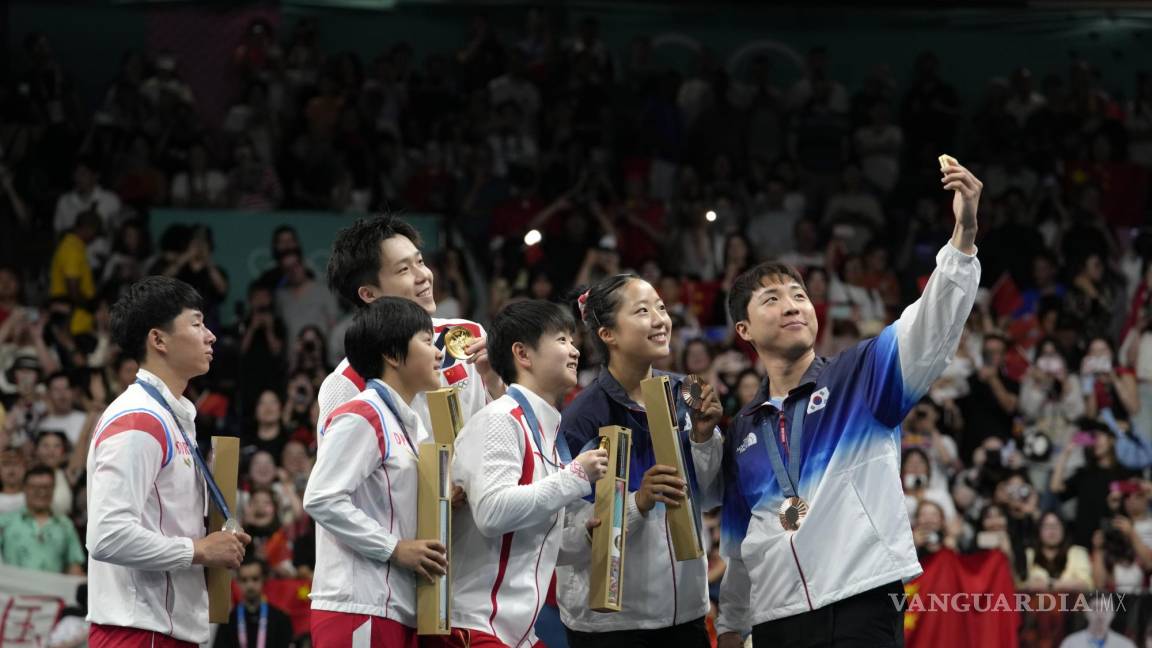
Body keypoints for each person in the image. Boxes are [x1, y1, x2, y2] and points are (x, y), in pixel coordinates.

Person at [716, 158, 983, 648]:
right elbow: (738, 544)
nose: (793, 304)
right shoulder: (742, 432)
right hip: (778, 616)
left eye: (798, 295)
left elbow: (927, 327)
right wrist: (732, 627)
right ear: (744, 331)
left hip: (863, 598)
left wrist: (961, 239)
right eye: (772, 300)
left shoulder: (860, 377)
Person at [557, 274, 724, 648]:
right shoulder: (580, 419)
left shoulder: (686, 393)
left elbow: (712, 497)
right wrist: (637, 502)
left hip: (687, 611)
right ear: (608, 334)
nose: (660, 319)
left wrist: (703, 437)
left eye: (661, 308)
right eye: (643, 311)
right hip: (612, 626)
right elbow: (561, 540)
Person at [86, 277, 251, 647]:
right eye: (196, 323)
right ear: (158, 340)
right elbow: (106, 535)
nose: (210, 336)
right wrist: (199, 549)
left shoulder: (171, 417)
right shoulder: (138, 420)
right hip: (139, 630)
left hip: (164, 628)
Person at [435, 300, 609, 647]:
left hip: (518, 634)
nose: (574, 351)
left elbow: (534, 544)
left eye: (573, 341)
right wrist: (575, 475)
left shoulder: (548, 431)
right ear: (523, 354)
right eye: (561, 340)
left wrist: (583, 537)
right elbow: (492, 512)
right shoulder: (500, 419)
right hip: (473, 628)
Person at [303, 297, 448, 648]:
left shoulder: (407, 424)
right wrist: (394, 548)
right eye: (427, 342)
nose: (440, 353)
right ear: (393, 355)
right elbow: (321, 498)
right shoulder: (362, 415)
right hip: (358, 607)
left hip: (394, 606)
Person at [317, 214, 500, 435]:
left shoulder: (465, 336)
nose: (423, 275)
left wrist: (495, 382)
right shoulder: (347, 382)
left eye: (420, 262)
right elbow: (337, 466)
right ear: (369, 294)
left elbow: (505, 430)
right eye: (404, 269)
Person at [0, 466, 85, 574]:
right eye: (34, 487)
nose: (41, 492)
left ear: (53, 488)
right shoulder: (5, 523)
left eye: (46, 487)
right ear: (24, 488)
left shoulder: (65, 524)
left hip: (53, 590)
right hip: (13, 589)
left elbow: (74, 565)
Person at [212, 557, 295, 648]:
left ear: (263, 579)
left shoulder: (280, 619)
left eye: (255, 579)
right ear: (237, 582)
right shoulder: (229, 621)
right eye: (244, 580)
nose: (250, 585)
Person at [1058, 593, 1137, 648]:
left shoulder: (1126, 645)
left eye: (1105, 609)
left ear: (1113, 614)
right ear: (1085, 612)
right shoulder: (1070, 643)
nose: (1100, 614)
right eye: (1095, 608)